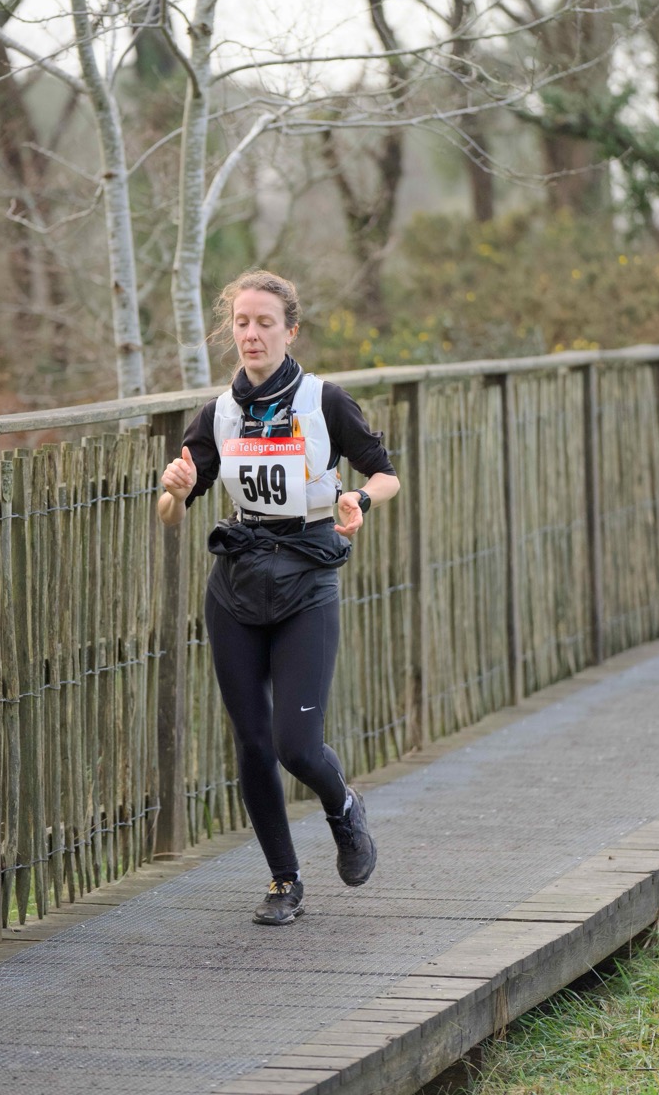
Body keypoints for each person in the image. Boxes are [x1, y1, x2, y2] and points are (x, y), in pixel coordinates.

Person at [157, 270, 400, 925]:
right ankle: (282, 880)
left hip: (305, 580)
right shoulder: (219, 414)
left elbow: (386, 474)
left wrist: (359, 498)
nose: (251, 334)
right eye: (241, 322)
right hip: (236, 585)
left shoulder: (324, 401)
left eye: (265, 322)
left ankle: (343, 808)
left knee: (297, 745)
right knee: (254, 743)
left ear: (290, 331)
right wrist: (174, 492)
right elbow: (172, 512)